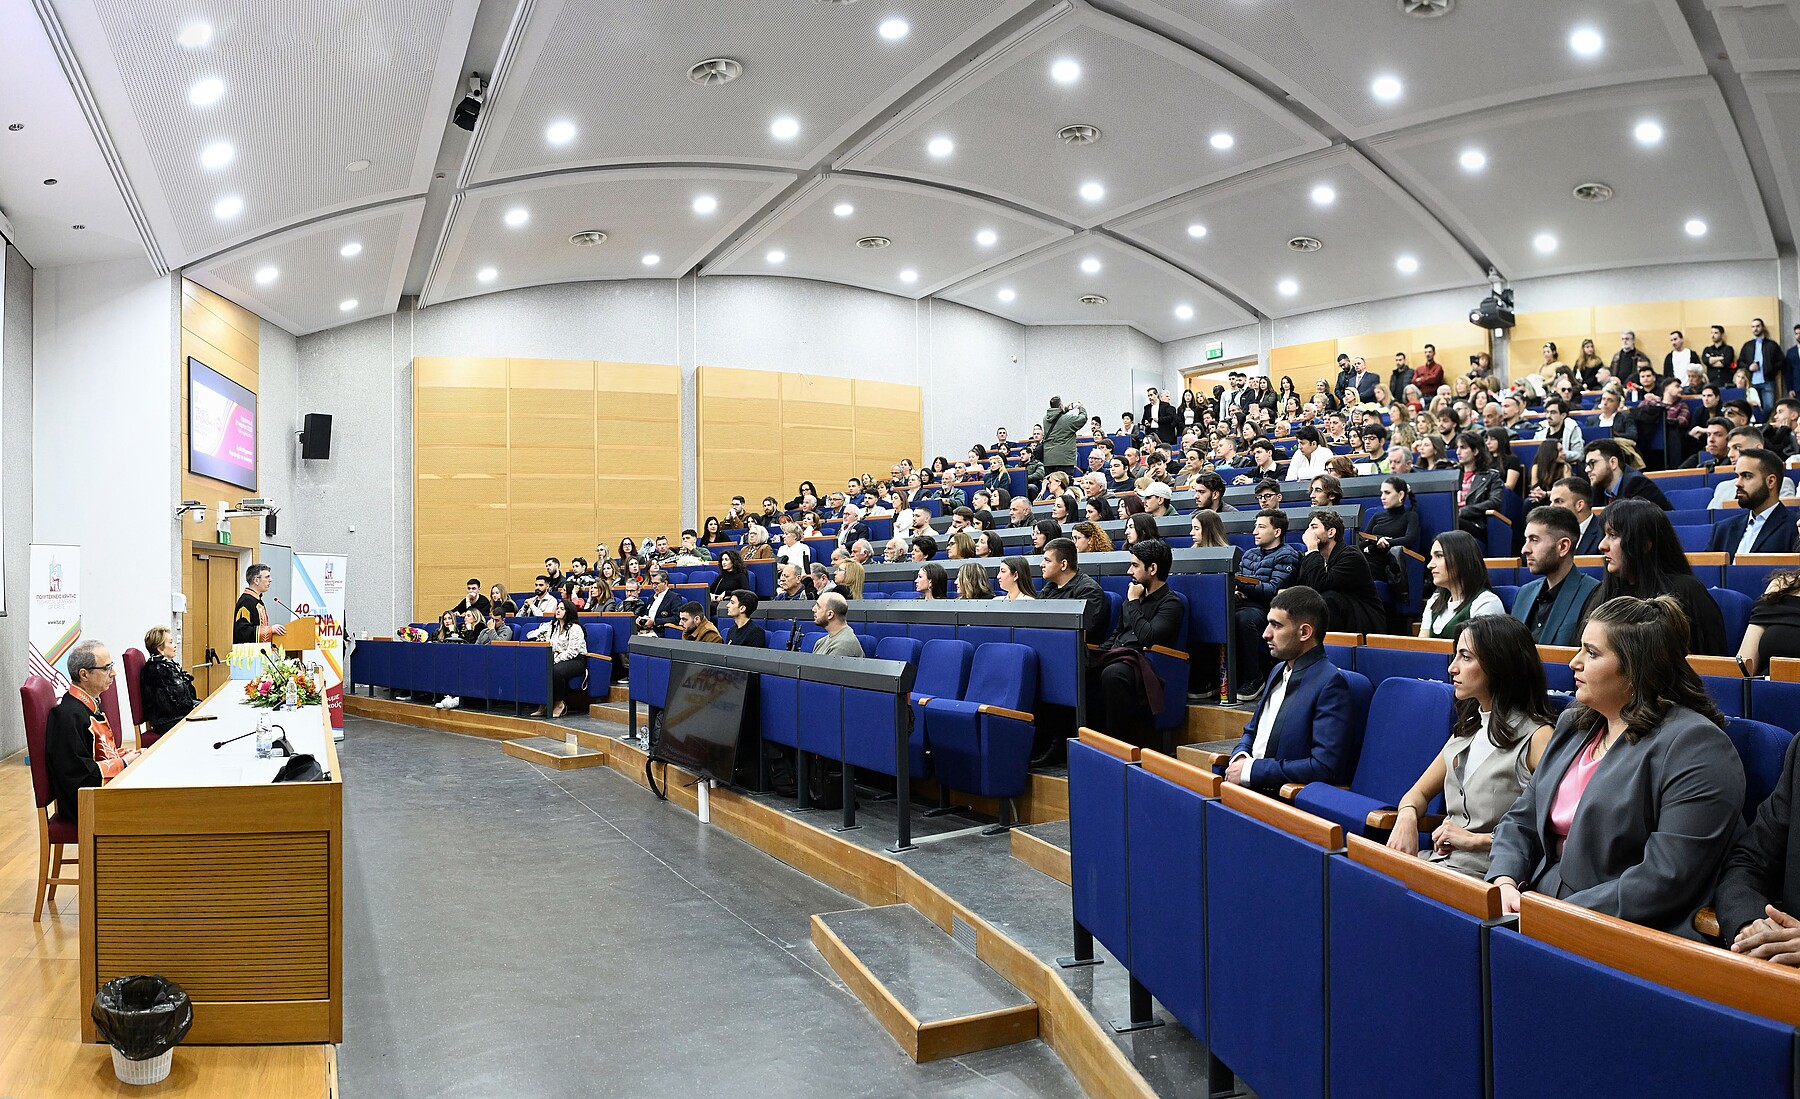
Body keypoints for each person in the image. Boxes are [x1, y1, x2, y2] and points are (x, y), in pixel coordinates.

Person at [1487, 596, 1744, 934]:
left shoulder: (1696, 746)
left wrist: (1551, 915)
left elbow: (1665, 878)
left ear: (1636, 669)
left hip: (1621, 928)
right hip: (1537, 905)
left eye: (1592, 653)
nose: (1574, 662)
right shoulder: (1573, 725)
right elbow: (1521, 819)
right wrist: (1505, 880)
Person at [1385, 616, 1558, 877]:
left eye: (1465, 657)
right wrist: (1407, 817)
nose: (1452, 668)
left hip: (1490, 878)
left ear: (1500, 664)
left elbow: (1551, 833)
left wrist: (1475, 840)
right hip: (1441, 865)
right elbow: (1417, 793)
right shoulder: (1468, 728)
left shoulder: (1538, 736)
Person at [1225, 586, 1357, 792]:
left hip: (1282, 797)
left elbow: (1323, 767)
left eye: (1276, 625)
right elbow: (1251, 730)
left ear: (1304, 632)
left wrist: (1251, 770)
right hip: (1250, 789)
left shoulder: (1331, 684)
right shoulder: (1277, 670)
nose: (1266, 634)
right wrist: (1241, 756)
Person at [1585, 498, 1727, 655]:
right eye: (1605, 535)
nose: (1602, 546)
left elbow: (1709, 663)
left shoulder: (1686, 592)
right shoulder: (1601, 593)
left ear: (1645, 544)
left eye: (1613, 535)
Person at [1088, 540, 1184, 744]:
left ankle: (1117, 746)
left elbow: (1147, 637)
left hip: (1142, 663)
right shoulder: (1135, 595)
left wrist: (1133, 602)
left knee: (1113, 673)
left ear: (1153, 569)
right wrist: (1098, 654)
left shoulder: (1171, 603)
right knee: (1078, 666)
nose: (1129, 571)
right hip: (1118, 656)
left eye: (1135, 565)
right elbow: (1118, 633)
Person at [45, 640, 139, 826]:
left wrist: (129, 755)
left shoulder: (87, 704)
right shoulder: (68, 716)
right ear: (84, 674)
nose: (114, 673)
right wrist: (124, 762)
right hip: (85, 805)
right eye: (106, 668)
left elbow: (99, 752)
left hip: (101, 791)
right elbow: (80, 777)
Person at [1509, 505, 1601, 647]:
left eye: (1534, 540)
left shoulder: (1593, 593)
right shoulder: (1524, 593)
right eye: (1526, 540)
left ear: (1563, 547)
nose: (1525, 549)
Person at [1234, 509, 1302, 698]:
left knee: (1243, 619)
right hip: (1244, 604)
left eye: (1261, 527)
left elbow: (1273, 590)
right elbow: (1243, 582)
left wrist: (1241, 585)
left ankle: (1254, 678)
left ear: (1277, 531)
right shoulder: (1249, 554)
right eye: (1255, 526)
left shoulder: (1288, 555)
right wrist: (1236, 590)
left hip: (1269, 609)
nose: (1255, 531)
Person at [1294, 508, 1385, 634]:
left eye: (1314, 527)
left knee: (1326, 598)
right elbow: (1305, 587)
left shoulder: (1351, 556)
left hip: (1363, 619)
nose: (1307, 533)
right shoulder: (1313, 558)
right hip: (1339, 615)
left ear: (1331, 532)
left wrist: (1312, 549)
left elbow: (1319, 584)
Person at [1709, 448, 1796, 557]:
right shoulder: (1723, 529)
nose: (1738, 483)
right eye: (1737, 476)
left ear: (1771, 481)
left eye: (1747, 476)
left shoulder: (1794, 527)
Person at [1419, 530, 1505, 639]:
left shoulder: (1486, 602)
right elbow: (1422, 646)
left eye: (1439, 556)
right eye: (1432, 557)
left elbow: (1480, 649)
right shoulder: (1434, 601)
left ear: (1462, 559)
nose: (1430, 565)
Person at [138, 625, 199, 742]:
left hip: (175, 717)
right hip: (167, 721)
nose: (175, 645)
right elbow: (170, 706)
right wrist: (194, 707)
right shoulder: (156, 670)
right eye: (170, 642)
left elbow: (187, 695)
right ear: (160, 648)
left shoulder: (167, 666)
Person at [1040, 537, 1109, 636]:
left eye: (1047, 560)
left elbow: (1085, 633)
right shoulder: (1050, 587)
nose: (1041, 565)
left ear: (1063, 564)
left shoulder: (1089, 591)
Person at [1583, 438, 1672, 509]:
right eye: (1587, 465)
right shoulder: (1597, 489)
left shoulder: (1637, 484)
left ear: (1613, 463)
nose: (1587, 469)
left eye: (1592, 463)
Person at [1450, 431, 1504, 540]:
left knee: (1452, 522)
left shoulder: (1491, 476)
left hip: (1475, 524)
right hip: (1452, 519)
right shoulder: (1452, 474)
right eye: (1457, 448)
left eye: (1463, 448)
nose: (1457, 452)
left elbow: (1495, 502)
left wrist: (1464, 511)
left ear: (1475, 451)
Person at [233, 563, 286, 644]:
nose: (270, 580)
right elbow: (242, 631)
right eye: (267, 577)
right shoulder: (246, 601)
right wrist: (269, 630)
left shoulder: (258, 600)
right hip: (249, 650)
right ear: (256, 580)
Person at [1041, 396, 1087, 478]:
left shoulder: (1045, 419)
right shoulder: (1068, 419)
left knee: (1051, 483)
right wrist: (1081, 408)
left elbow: (1057, 417)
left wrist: (1065, 409)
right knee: (1064, 483)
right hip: (1064, 460)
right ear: (1060, 406)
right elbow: (1083, 418)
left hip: (1049, 459)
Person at [811, 592, 864, 658]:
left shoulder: (842, 646)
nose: (813, 609)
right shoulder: (820, 642)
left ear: (830, 614)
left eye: (818, 607)